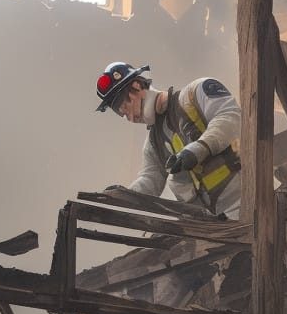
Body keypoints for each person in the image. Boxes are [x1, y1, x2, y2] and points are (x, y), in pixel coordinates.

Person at [95, 62, 241, 216]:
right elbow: (151, 179)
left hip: (241, 201)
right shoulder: (153, 144)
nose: (129, 117)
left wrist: (198, 149)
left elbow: (229, 117)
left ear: (137, 86)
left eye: (125, 105)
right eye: (121, 113)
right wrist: (126, 195)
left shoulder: (194, 94)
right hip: (208, 223)